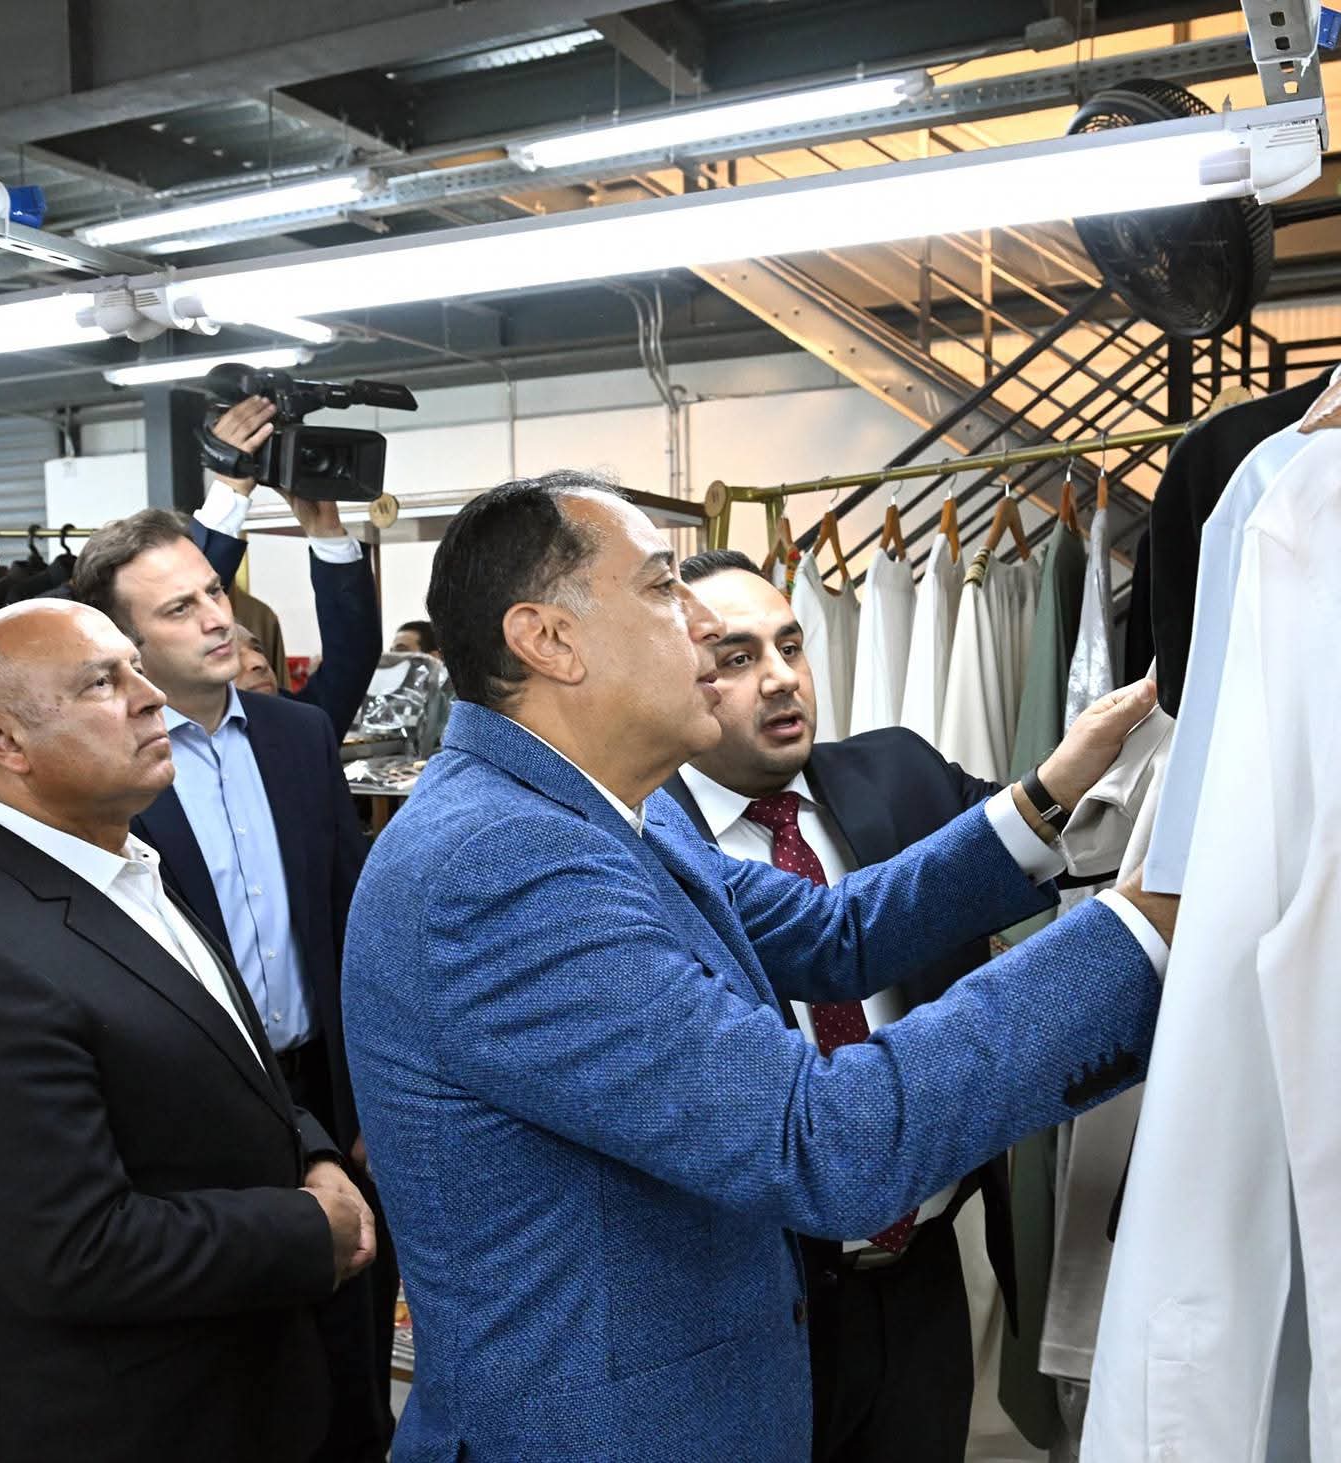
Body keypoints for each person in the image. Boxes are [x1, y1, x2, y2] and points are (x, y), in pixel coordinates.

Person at [343, 471, 1177, 1462]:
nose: (700, 628)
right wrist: (1136, 931)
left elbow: (836, 931)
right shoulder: (505, 862)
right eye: (662, 588)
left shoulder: (610, 813)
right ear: (549, 640)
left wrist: (1049, 790)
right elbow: (818, 1139)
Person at [0, 601, 375, 1463]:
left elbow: (216, 1066)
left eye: (136, 667)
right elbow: (71, 1251)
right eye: (103, 682)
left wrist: (314, 1149)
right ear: (5, 741)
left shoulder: (124, 866)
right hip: (135, 1422)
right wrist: (304, 1227)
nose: (151, 697)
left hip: (248, 1390)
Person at [664, 548, 1020, 1462]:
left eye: (790, 646)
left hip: (922, 1277)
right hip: (759, 1304)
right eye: (736, 657)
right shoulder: (644, 847)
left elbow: (1060, 834)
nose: (781, 677)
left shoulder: (898, 773)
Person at [70, 511, 394, 1462]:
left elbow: (351, 925)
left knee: (353, 1370)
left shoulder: (297, 735)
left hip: (325, 1086)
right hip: (194, 1109)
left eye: (214, 593)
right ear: (124, 644)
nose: (218, 617)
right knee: (237, 1376)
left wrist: (369, 1097)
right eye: (179, 608)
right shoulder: (101, 768)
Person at [188, 394, 384, 743]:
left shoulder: (298, 730)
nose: (258, 663)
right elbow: (183, 613)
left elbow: (352, 658)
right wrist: (230, 491)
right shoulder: (174, 738)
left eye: (257, 648)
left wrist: (327, 534)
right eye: (231, 652)